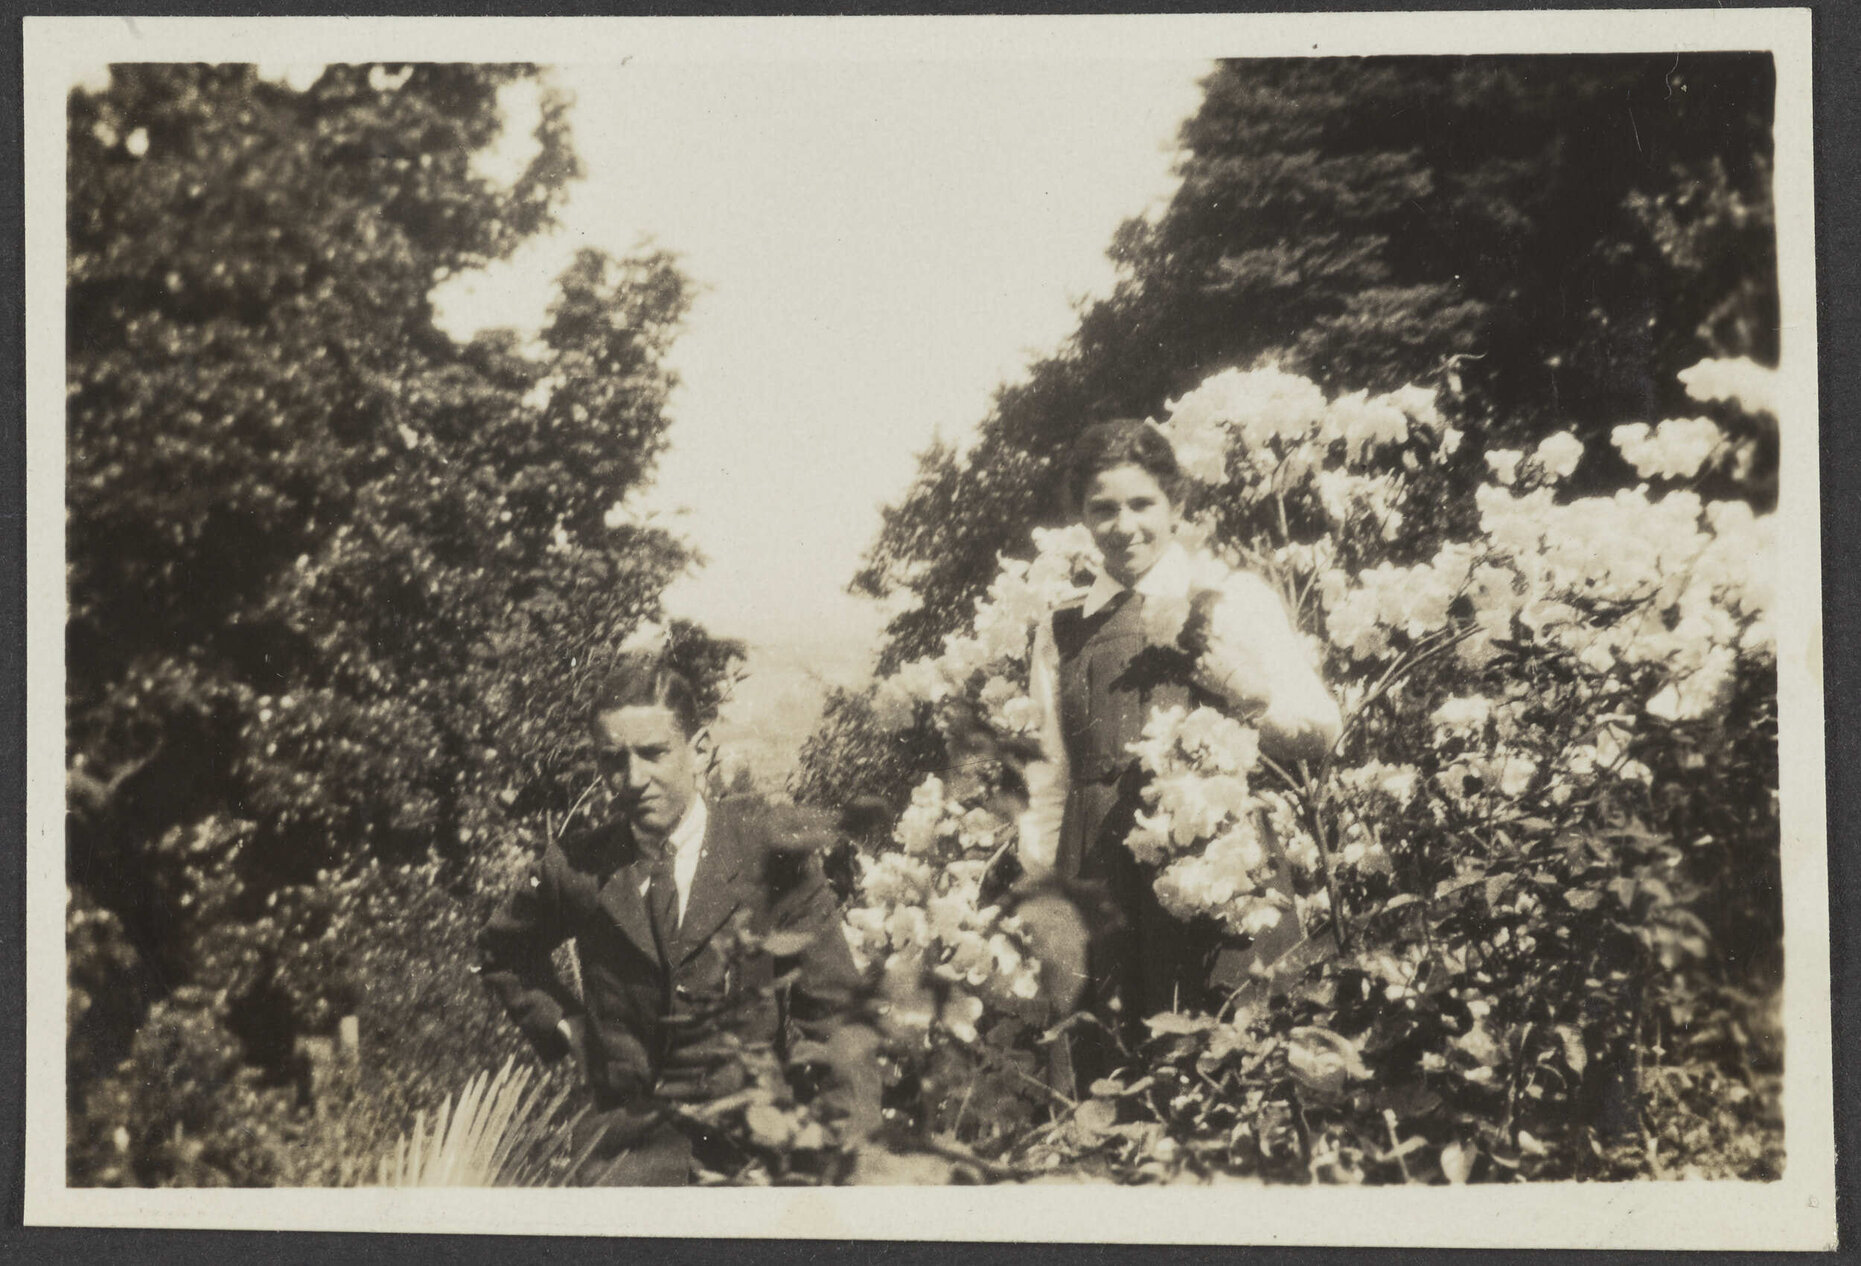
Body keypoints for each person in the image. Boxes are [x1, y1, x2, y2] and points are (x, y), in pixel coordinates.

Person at [1017, 419, 1342, 1096]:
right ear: (1079, 516)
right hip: (1098, 886)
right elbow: (1048, 779)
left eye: (1141, 505)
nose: (1123, 526)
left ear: (1176, 505)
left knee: (1236, 1064)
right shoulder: (1059, 630)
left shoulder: (1231, 601)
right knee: (1111, 1081)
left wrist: (1248, 696)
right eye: (1101, 509)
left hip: (1210, 876)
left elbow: (1319, 730)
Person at [477, 653, 879, 1184]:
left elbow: (837, 1019)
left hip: (753, 1160)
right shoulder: (576, 867)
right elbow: (501, 951)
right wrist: (565, 1023)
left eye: (653, 754)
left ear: (700, 749)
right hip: (623, 1165)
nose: (633, 778)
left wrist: (835, 1155)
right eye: (612, 760)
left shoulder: (770, 856)